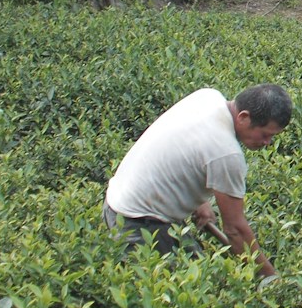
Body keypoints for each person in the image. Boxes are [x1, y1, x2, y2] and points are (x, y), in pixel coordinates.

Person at [103, 83, 291, 277]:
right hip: (136, 223)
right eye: (265, 134)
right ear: (243, 117)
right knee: (199, 286)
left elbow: (183, 148)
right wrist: (270, 278)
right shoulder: (226, 153)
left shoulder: (208, 97)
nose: (267, 143)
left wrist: (199, 202)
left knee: (199, 267)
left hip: (116, 200)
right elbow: (235, 229)